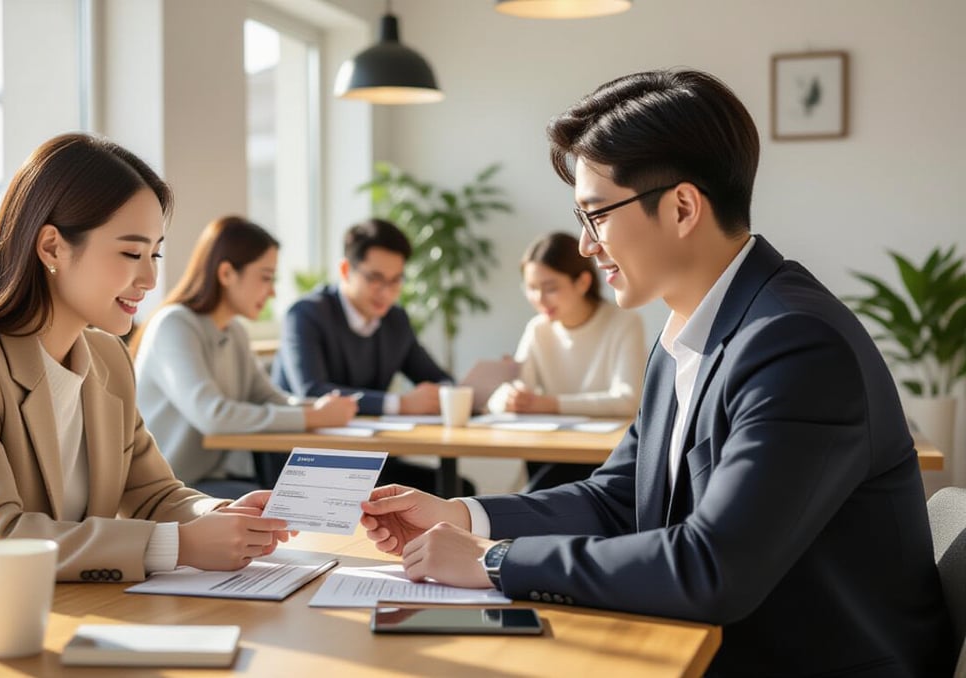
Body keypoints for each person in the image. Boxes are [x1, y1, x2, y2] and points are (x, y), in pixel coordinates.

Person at [359, 70, 953, 676]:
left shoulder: (796, 343)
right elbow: (620, 497)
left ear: (682, 207)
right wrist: (462, 516)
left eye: (595, 216)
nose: (587, 246)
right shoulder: (687, 331)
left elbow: (711, 568)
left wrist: (493, 561)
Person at [0, 133, 292, 590]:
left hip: (64, 611)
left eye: (154, 253)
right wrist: (180, 545)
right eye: (131, 253)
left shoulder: (107, 358)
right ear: (52, 247)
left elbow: (152, 494)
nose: (151, 277)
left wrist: (221, 515)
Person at [129, 215, 358, 488]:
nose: (272, 292)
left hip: (207, 479)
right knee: (283, 510)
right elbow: (213, 416)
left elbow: (268, 398)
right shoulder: (174, 324)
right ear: (226, 273)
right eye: (265, 278)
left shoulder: (233, 331)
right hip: (165, 490)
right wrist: (314, 416)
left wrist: (321, 408)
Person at [272, 218, 474, 494]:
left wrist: (443, 393)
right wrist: (399, 404)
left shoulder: (395, 320)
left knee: (457, 490)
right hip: (309, 461)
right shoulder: (306, 314)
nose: (386, 292)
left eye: (395, 281)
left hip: (367, 459)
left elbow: (438, 378)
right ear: (346, 270)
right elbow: (311, 391)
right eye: (374, 279)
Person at [489, 231, 646, 489]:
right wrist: (508, 397)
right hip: (550, 451)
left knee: (537, 495)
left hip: (604, 458)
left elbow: (628, 401)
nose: (539, 299)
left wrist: (548, 404)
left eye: (550, 288)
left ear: (582, 282)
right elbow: (510, 395)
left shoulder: (624, 323)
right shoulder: (538, 329)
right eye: (531, 288)